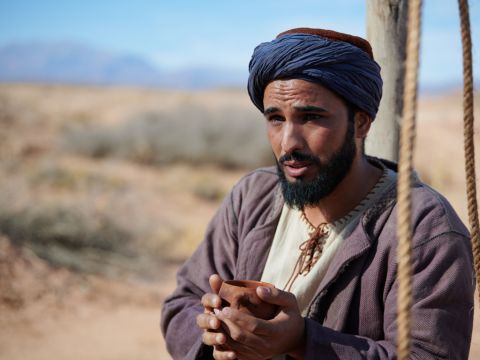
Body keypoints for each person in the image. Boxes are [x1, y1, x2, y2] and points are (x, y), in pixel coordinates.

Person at [161, 28, 475, 359]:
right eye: (276, 119)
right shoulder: (253, 196)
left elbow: (429, 355)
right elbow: (182, 302)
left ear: (361, 123)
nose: (288, 143)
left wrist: (303, 342)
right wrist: (214, 330)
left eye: (311, 118)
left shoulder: (424, 228)